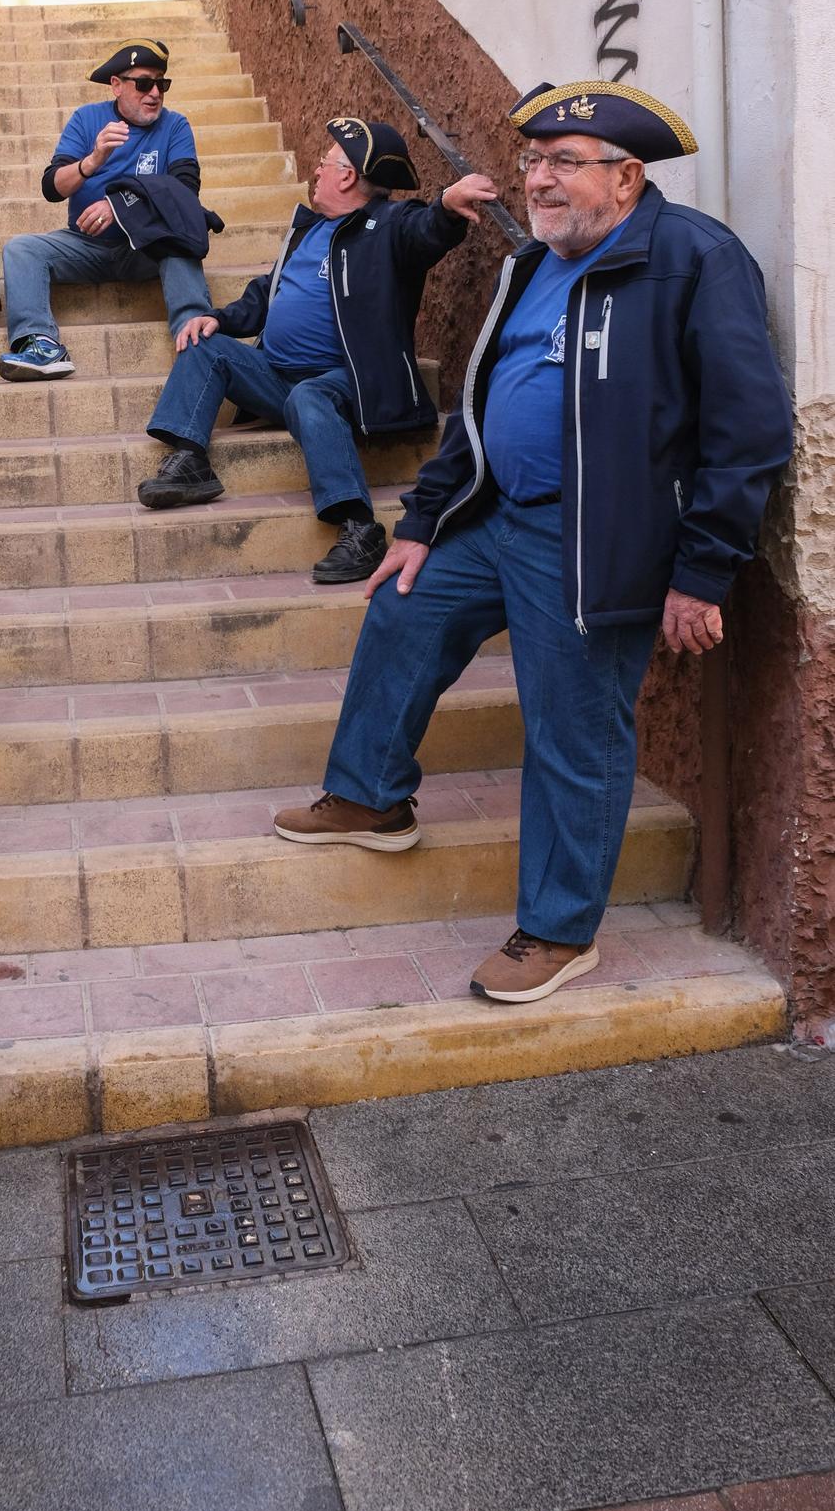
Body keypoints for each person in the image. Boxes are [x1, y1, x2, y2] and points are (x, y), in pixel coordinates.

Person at [274, 82, 793, 1001]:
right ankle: (371, 795)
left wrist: (703, 572)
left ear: (627, 178)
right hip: (495, 516)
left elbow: (747, 432)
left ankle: (559, 929)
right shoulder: (533, 263)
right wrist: (425, 520)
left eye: (564, 163)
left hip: (597, 542)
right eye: (532, 163)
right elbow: (476, 406)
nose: (539, 181)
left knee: (572, 729)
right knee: (404, 609)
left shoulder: (693, 260)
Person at [135, 117, 498, 582]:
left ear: (347, 176)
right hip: (278, 377)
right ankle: (190, 462)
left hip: (350, 381)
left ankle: (360, 528)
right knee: (206, 345)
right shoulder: (307, 228)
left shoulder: (388, 225)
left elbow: (426, 231)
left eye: (325, 163)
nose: (316, 170)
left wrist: (446, 206)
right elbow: (267, 292)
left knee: (310, 397)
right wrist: (219, 318)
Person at [0, 40, 212, 380]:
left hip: (147, 246)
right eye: (144, 83)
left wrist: (119, 207)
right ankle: (40, 344)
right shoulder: (87, 119)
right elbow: (52, 187)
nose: (154, 92)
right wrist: (93, 160)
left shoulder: (175, 127)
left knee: (181, 238)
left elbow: (185, 192)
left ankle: (197, 339)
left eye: (162, 83)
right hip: (86, 245)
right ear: (116, 84)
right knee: (21, 249)